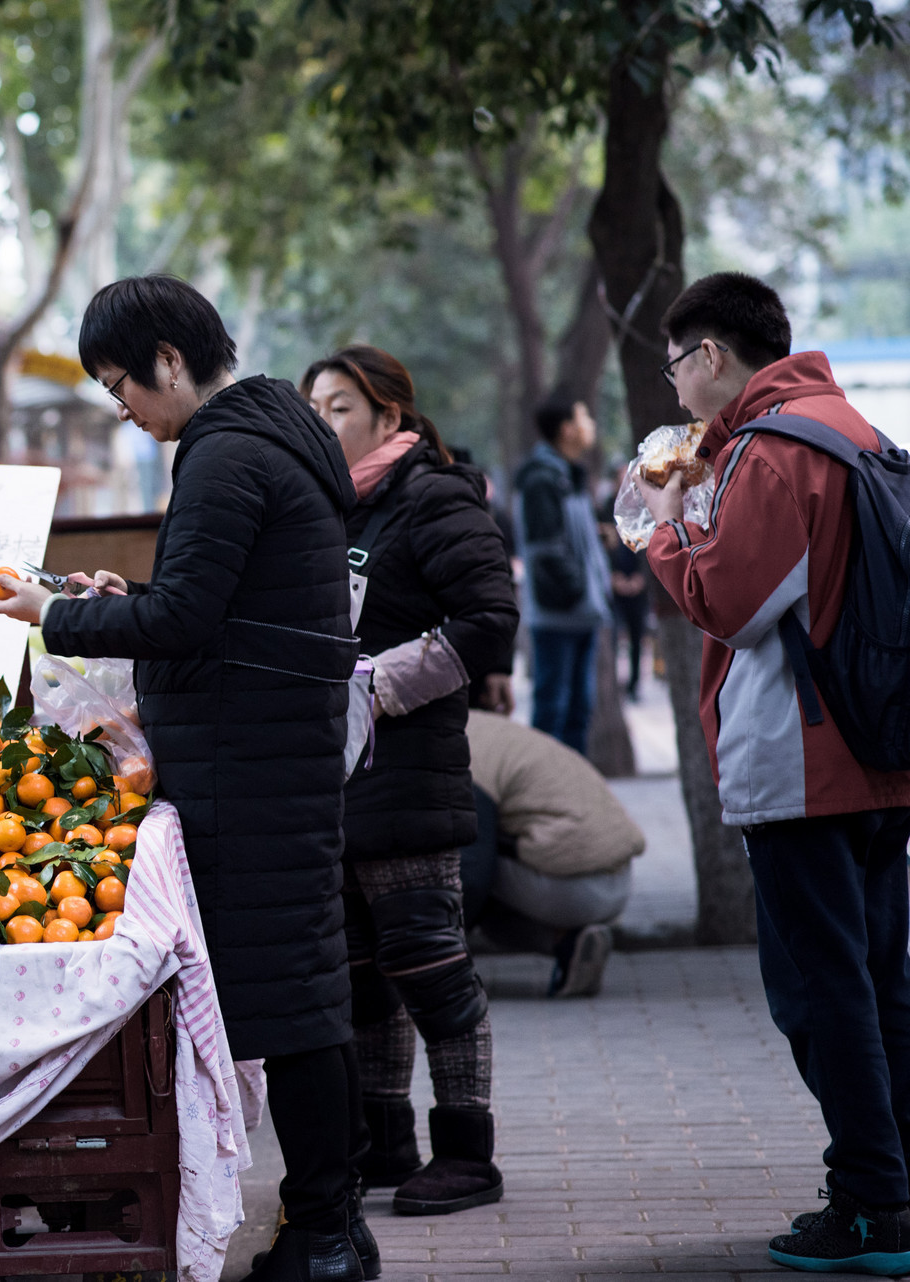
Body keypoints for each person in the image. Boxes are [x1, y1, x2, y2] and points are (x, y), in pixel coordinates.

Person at [0, 276, 369, 1282]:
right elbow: (215, 603)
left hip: (250, 764)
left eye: (124, 385)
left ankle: (325, 1236)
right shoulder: (273, 435)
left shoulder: (225, 452)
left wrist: (48, 610)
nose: (126, 409)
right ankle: (333, 1228)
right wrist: (130, 596)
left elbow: (188, 621)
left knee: (290, 1005)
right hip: (274, 747)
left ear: (168, 358)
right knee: (305, 991)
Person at [639, 271, 910, 1277]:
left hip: (804, 762)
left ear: (712, 355)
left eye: (676, 365)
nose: (673, 390)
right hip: (879, 746)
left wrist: (661, 523)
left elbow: (727, 599)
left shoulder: (771, 450)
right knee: (882, 980)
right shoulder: (857, 430)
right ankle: (894, 1188)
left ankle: (872, 1203)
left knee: (818, 991)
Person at [303, 347, 519, 1216]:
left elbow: (491, 621)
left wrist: (378, 688)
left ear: (391, 417)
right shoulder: (328, 511)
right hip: (340, 780)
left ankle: (468, 1153)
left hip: (410, 774)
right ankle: (385, 1142)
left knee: (431, 970)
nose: (324, 423)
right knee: (362, 975)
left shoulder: (431, 497)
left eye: (341, 407)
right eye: (313, 408)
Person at [462, 706, 645, 997]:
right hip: (619, 880)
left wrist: (430, 959)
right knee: (488, 908)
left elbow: (472, 877)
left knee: (464, 864)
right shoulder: (489, 729)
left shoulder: (462, 754)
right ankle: (571, 944)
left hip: (574, 885)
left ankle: (561, 941)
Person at [515, 397, 611, 752]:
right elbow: (545, 549)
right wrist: (578, 589)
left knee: (576, 711)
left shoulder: (565, 472)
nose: (589, 423)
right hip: (559, 614)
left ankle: (573, 798)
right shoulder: (543, 477)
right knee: (554, 710)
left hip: (578, 612)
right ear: (567, 429)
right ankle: (546, 798)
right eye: (583, 416)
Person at [604, 469, 653, 701]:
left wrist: (641, 577)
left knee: (637, 637)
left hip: (637, 584)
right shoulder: (604, 508)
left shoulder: (643, 507)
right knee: (612, 636)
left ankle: (634, 684)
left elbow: (651, 544)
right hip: (613, 584)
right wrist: (612, 577)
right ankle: (613, 685)